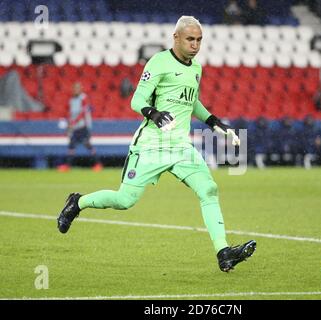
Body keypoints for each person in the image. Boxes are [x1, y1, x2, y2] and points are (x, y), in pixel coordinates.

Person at [57, 16, 256, 272]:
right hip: (151, 145)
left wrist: (217, 123)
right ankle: (78, 202)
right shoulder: (159, 62)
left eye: (199, 40)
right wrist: (154, 113)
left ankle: (223, 252)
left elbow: (192, 102)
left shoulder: (196, 69)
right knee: (124, 200)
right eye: (190, 39)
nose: (195, 45)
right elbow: (136, 99)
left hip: (180, 148)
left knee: (209, 189)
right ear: (176, 38)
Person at [57, 82, 103, 172]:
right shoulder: (71, 100)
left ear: (81, 89)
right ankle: (68, 166)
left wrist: (74, 121)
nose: (75, 90)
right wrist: (70, 124)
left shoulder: (83, 98)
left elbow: (83, 112)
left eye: (77, 88)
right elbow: (71, 113)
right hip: (74, 127)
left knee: (87, 144)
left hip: (82, 126)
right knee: (71, 145)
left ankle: (98, 164)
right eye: (74, 88)